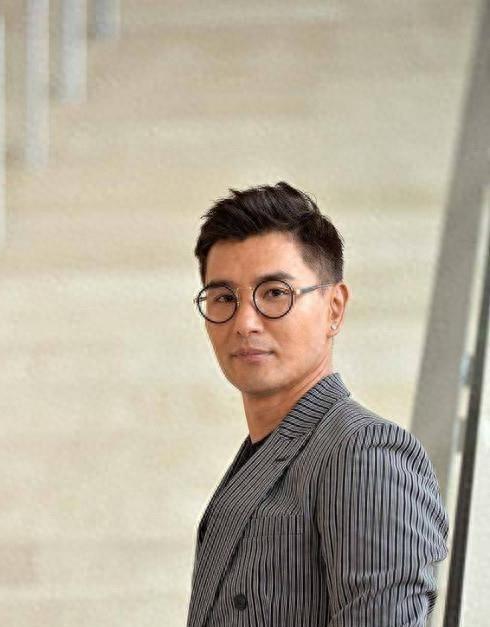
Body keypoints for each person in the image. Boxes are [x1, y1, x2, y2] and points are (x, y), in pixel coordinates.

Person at [185, 182, 449, 627]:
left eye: (275, 293)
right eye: (224, 298)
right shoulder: (260, 456)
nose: (245, 323)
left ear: (334, 308)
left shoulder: (365, 453)